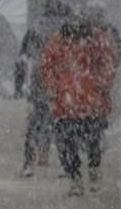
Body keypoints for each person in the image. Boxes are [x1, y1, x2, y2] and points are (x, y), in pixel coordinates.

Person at [40, 12, 117, 195]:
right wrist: (101, 84)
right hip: (84, 103)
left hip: (73, 103)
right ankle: (85, 174)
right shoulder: (95, 39)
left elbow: (46, 67)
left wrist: (54, 88)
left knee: (73, 143)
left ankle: (79, 177)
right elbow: (108, 64)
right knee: (85, 142)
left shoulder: (59, 41)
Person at [15, 0, 71, 177]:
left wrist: (19, 84)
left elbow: (21, 59)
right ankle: (65, 163)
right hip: (61, 79)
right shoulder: (67, 28)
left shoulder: (35, 27)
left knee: (35, 121)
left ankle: (28, 163)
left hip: (39, 78)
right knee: (61, 122)